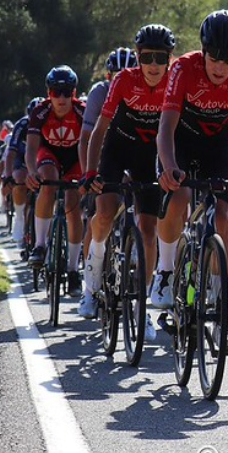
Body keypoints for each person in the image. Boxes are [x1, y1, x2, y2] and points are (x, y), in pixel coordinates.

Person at [156, 10, 228, 351]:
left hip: (217, 144)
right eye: (214, 58)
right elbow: (164, 128)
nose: (221, 67)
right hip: (180, 139)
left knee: (224, 215)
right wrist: (168, 167)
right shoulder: (183, 68)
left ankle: (221, 311)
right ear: (203, 50)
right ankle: (166, 273)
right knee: (178, 199)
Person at [79, 28, 174, 333]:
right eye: (148, 57)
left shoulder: (174, 83)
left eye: (161, 58)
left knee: (149, 232)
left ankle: (142, 306)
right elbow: (99, 130)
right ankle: (92, 276)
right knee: (105, 211)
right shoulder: (123, 80)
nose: (154, 64)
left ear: (169, 59)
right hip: (117, 150)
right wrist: (91, 171)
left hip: (150, 157)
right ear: (138, 56)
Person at [77, 47, 138, 298]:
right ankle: (89, 288)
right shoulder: (99, 93)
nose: (120, 79)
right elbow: (86, 139)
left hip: (135, 152)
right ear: (107, 76)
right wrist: (87, 175)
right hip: (104, 152)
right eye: (115, 75)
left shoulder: (143, 91)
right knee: (100, 212)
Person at [25, 66, 86, 296]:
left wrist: (88, 174)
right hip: (48, 154)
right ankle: (40, 245)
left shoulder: (82, 111)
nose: (61, 98)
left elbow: (90, 144)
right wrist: (31, 172)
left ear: (74, 92)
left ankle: (72, 270)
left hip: (75, 157)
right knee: (47, 181)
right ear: (48, 93)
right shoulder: (40, 112)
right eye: (55, 92)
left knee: (73, 204)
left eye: (66, 92)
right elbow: (31, 148)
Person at [2, 96, 44, 246]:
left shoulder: (50, 122)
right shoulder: (22, 125)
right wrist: (8, 176)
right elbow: (10, 153)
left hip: (42, 159)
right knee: (19, 179)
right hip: (22, 158)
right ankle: (19, 217)